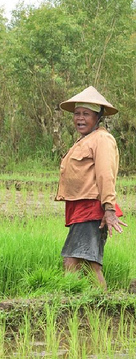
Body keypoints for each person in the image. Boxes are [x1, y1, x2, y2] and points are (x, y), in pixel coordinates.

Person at [55, 86, 127, 289]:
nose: (80, 118)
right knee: (90, 263)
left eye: (86, 114)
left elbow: (106, 174)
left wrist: (109, 209)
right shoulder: (85, 140)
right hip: (82, 207)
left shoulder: (102, 139)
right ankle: (97, 305)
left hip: (91, 208)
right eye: (77, 113)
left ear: (98, 117)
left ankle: (68, 304)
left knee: (73, 261)